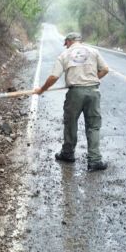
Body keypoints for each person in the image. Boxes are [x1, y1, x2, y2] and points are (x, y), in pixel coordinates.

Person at [34, 32, 109, 171]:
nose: (65, 45)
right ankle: (95, 160)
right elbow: (105, 69)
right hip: (93, 91)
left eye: (66, 43)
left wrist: (42, 89)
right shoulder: (93, 51)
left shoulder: (65, 55)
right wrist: (91, 79)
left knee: (70, 123)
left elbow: (53, 77)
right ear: (80, 41)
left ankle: (68, 154)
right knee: (93, 126)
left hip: (75, 93)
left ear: (68, 41)